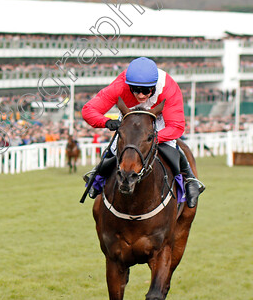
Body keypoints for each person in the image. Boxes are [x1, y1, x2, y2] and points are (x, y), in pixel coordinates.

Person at [82, 57, 204, 207]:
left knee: (170, 145)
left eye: (146, 91)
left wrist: (151, 138)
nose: (141, 95)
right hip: (131, 112)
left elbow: (176, 127)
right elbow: (88, 110)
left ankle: (189, 181)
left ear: (154, 86)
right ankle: (98, 176)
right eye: (136, 90)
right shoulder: (120, 86)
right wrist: (106, 121)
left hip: (159, 115)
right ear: (129, 85)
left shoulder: (168, 87)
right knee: (116, 146)